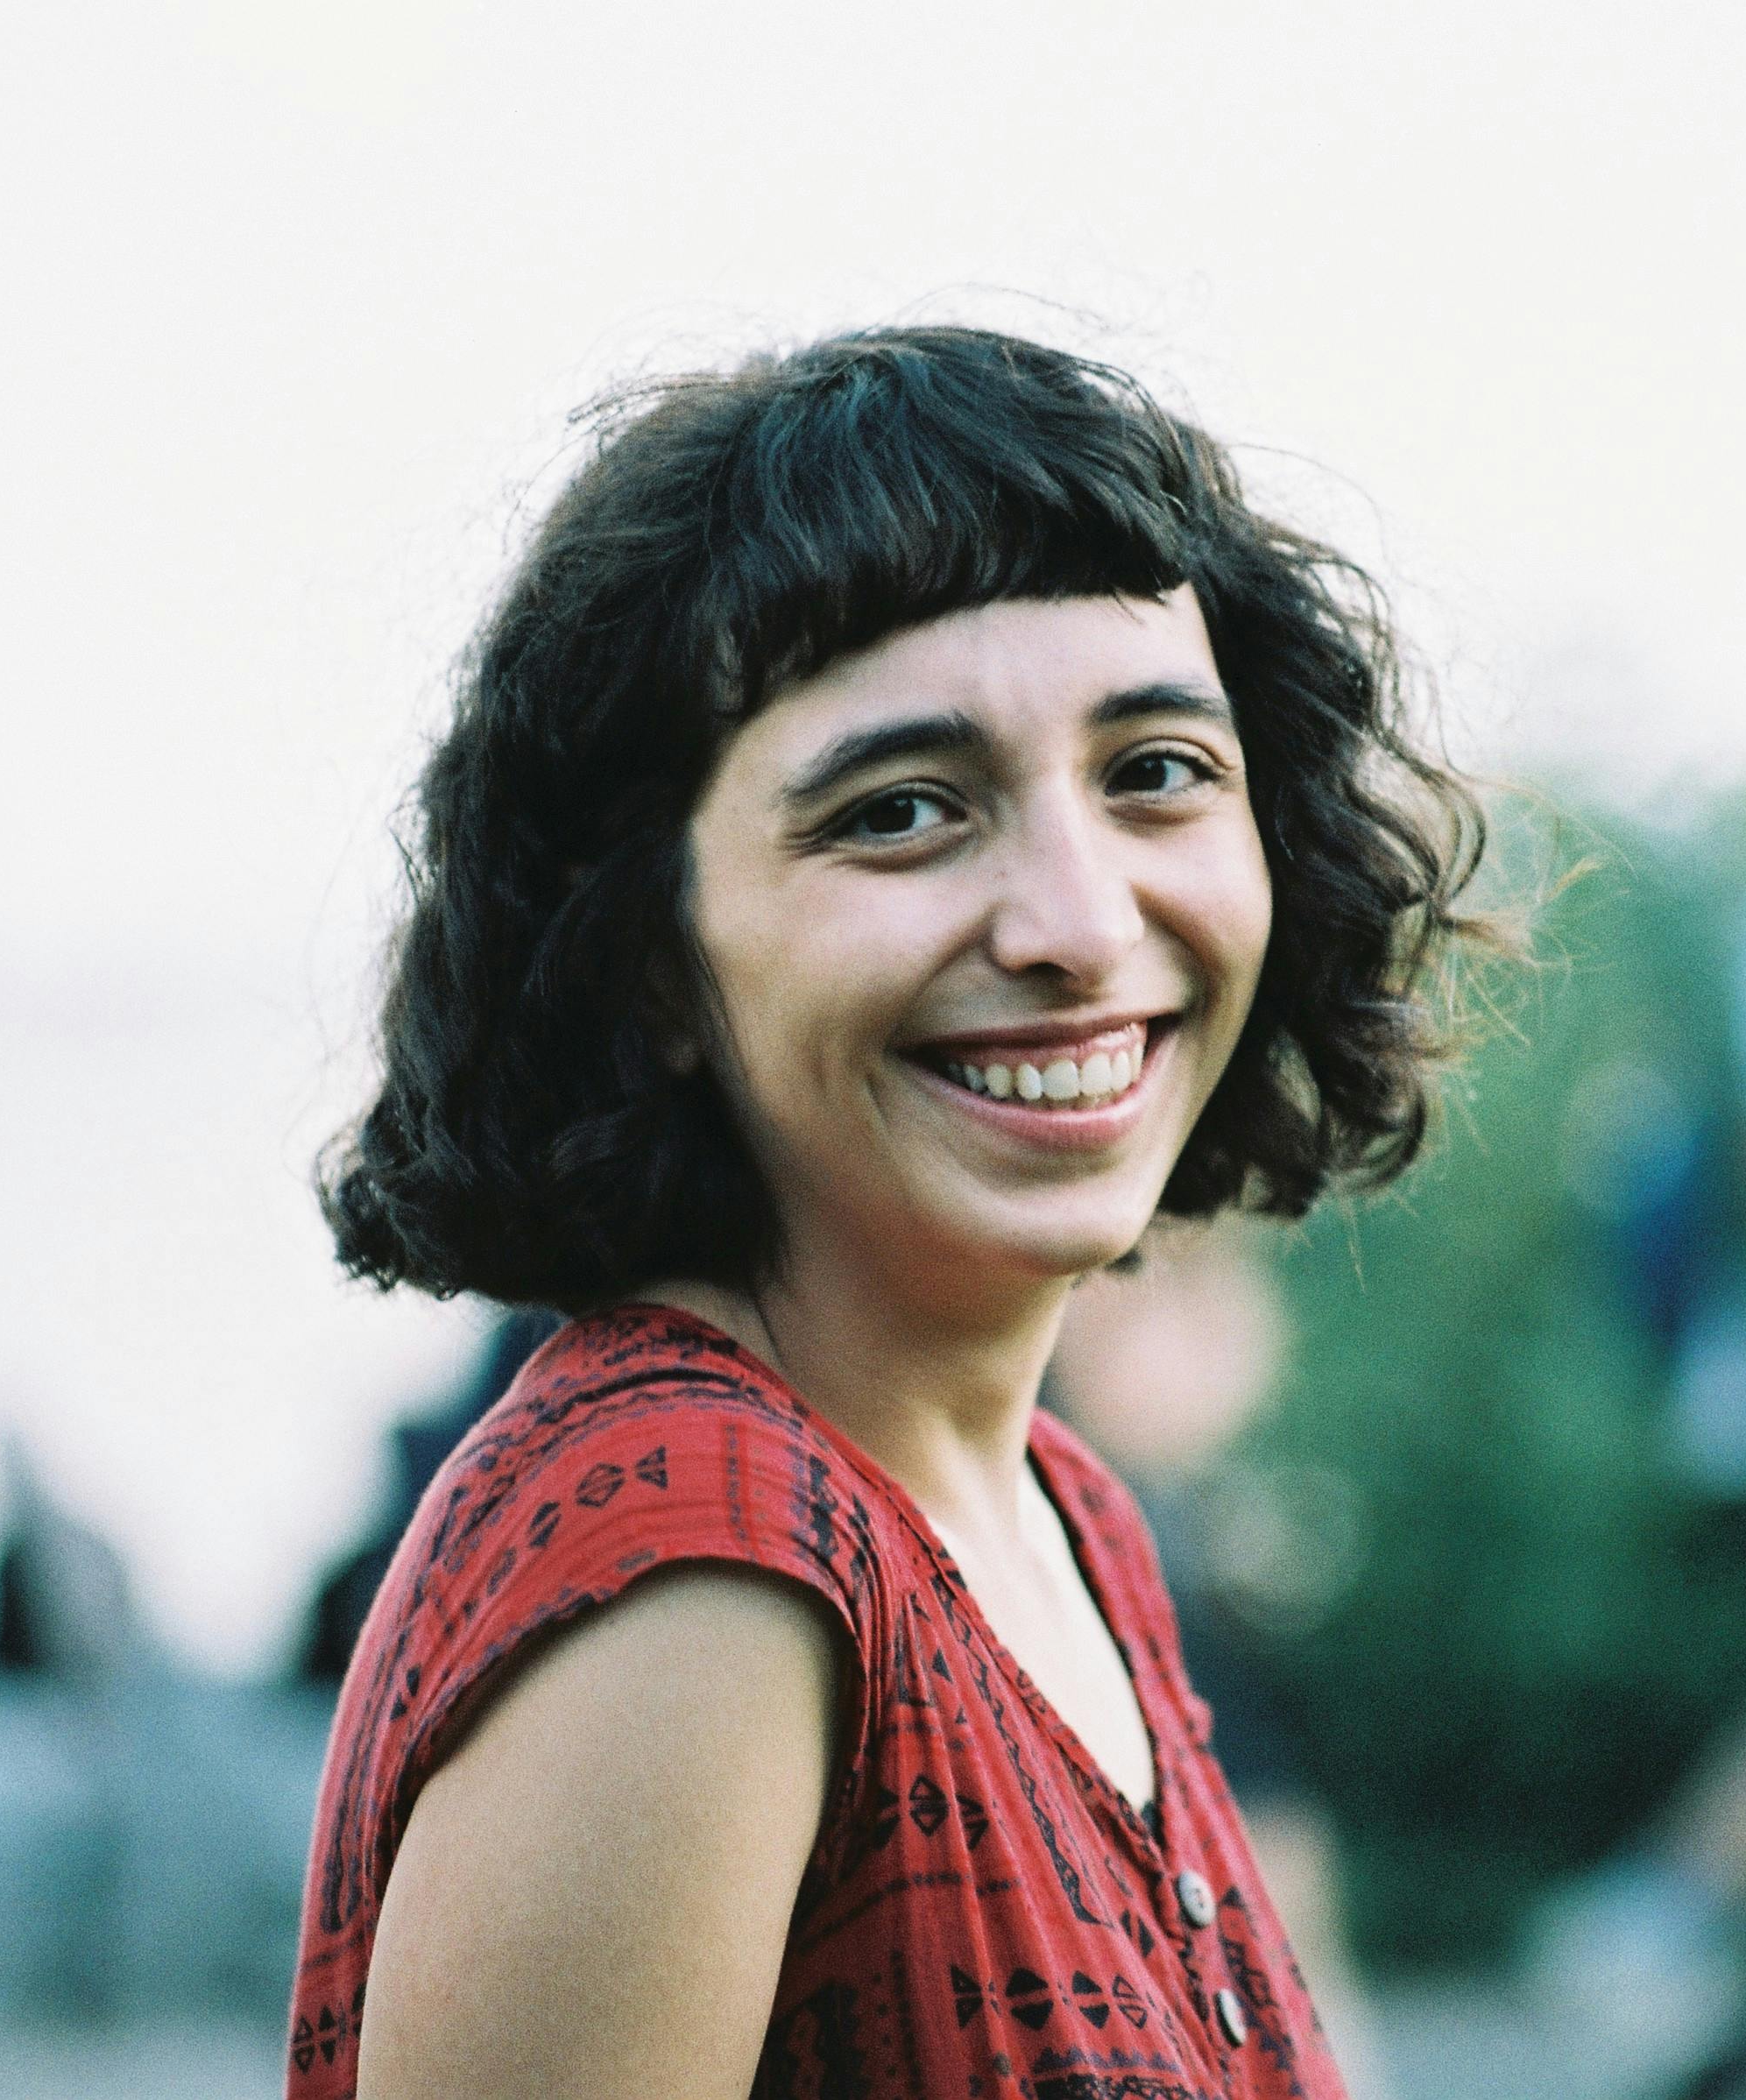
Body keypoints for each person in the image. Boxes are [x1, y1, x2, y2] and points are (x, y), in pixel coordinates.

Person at [289, 326, 1483, 2100]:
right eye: (906, 810)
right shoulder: (704, 1562)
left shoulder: (1058, 1512)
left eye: (1154, 768)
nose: (1077, 921)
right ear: (648, 956)